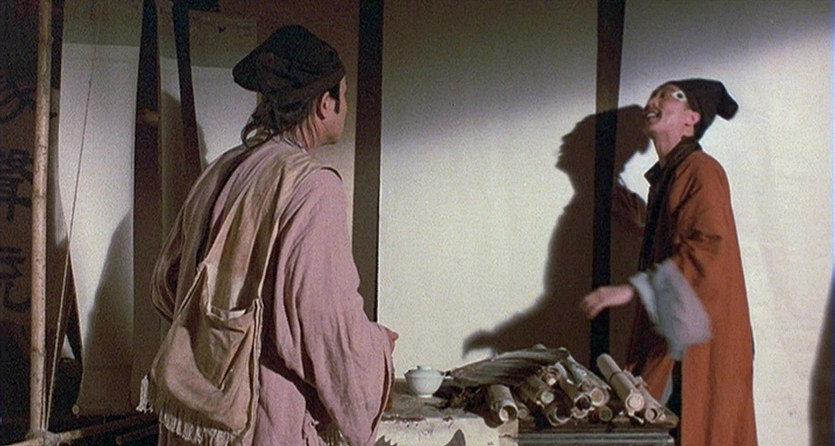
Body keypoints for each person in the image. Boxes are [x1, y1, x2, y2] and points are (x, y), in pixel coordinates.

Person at [138, 25, 397, 446]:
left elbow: (167, 284)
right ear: (325, 104)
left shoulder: (222, 168)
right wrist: (379, 348)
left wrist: (218, 343)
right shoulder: (312, 186)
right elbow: (325, 324)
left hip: (196, 418)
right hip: (258, 417)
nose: (346, 107)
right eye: (344, 96)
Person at [580, 79, 757, 446]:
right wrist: (644, 223)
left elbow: (709, 247)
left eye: (670, 95)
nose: (654, 99)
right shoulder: (671, 176)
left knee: (690, 430)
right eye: (653, 94)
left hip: (700, 344)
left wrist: (632, 289)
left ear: (692, 118)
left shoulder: (701, 170)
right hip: (678, 338)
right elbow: (682, 234)